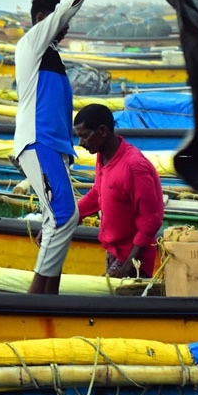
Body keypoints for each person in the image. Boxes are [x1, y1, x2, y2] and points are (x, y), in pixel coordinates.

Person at [13, 0, 115, 295]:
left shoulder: (50, 54)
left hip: (54, 149)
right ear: (43, 18)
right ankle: (37, 300)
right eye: (60, 19)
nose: (66, 27)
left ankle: (48, 300)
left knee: (54, 224)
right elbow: (63, 12)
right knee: (66, 217)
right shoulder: (32, 43)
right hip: (37, 143)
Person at [73, 103, 165, 278]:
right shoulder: (103, 155)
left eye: (84, 136)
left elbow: (151, 220)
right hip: (114, 251)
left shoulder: (134, 166)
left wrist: (128, 265)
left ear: (102, 131)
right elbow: (96, 193)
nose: (81, 143)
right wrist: (62, 224)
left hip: (133, 258)